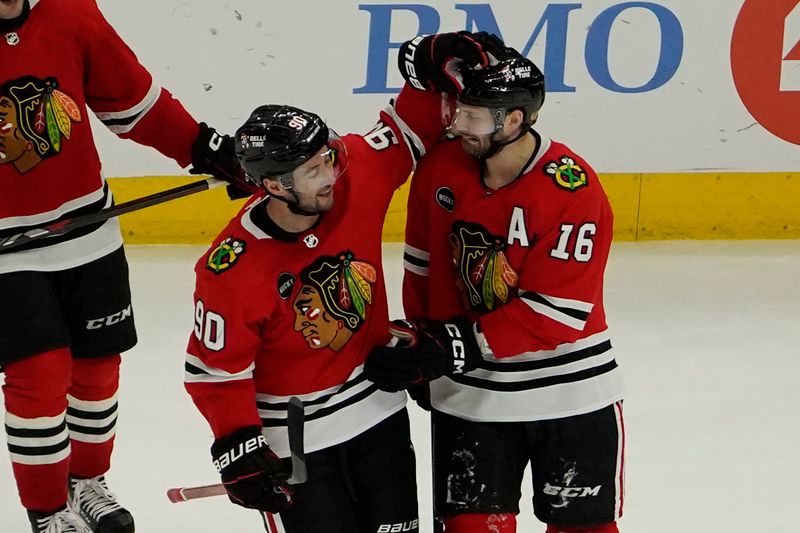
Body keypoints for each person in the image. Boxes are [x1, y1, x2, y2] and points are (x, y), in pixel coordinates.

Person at [182, 32, 504, 533]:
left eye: (327, 157)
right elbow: (212, 371)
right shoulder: (231, 269)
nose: (330, 174)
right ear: (273, 186)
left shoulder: (354, 178)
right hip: (297, 443)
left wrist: (433, 65)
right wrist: (236, 443)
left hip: (378, 416)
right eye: (312, 171)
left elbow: (406, 128)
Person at [0, 1, 245, 532]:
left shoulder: (69, 12)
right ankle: (47, 512)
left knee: (97, 371)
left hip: (88, 233)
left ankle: (87, 483)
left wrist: (206, 149)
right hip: (6, 252)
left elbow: (133, 102)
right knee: (37, 379)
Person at [365, 36, 626, 533]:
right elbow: (421, 269)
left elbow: (558, 312)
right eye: (459, 112)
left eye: (474, 117)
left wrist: (452, 346)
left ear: (514, 121)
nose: (458, 125)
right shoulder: (442, 168)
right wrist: (425, 343)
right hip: (471, 396)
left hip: (570, 395)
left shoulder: (570, 188)